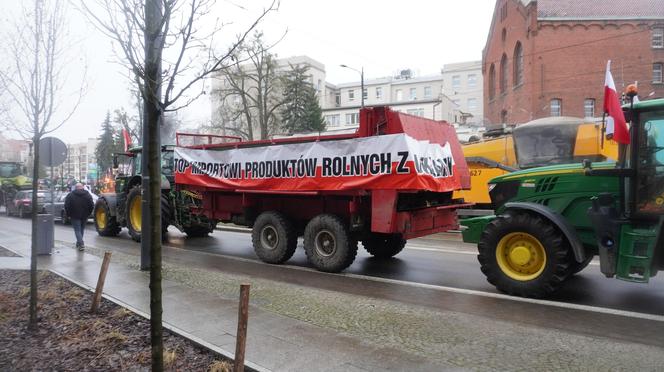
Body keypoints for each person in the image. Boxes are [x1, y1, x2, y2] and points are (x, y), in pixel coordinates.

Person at [64, 183, 94, 250]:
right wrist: (88, 213)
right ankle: (79, 243)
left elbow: (67, 206)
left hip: (74, 215)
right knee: (81, 229)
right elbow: (92, 205)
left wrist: (68, 214)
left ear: (75, 187)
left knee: (77, 230)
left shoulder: (70, 195)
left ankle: (81, 244)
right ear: (82, 187)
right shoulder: (87, 195)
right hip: (84, 215)